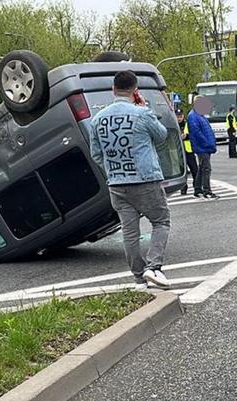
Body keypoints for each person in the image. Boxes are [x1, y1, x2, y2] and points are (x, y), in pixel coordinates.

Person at [89, 70, 171, 290]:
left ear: (113, 89)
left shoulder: (97, 120)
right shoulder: (141, 114)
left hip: (116, 182)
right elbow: (162, 135)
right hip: (145, 180)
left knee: (130, 232)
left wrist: (113, 168)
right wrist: (145, 108)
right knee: (161, 221)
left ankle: (138, 278)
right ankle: (154, 268)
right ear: (135, 91)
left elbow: (96, 154)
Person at [187, 96, 219, 199]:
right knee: (206, 169)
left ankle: (198, 189)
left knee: (202, 168)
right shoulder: (193, 116)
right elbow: (196, 133)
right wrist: (206, 143)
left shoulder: (199, 115)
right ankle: (207, 191)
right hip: (202, 147)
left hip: (204, 146)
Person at [176, 109, 198, 196]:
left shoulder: (187, 124)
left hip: (189, 150)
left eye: (180, 116)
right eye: (177, 116)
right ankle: (183, 188)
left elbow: (193, 134)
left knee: (194, 169)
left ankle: (196, 186)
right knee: (182, 171)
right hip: (179, 151)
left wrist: (187, 136)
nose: (179, 118)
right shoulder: (174, 124)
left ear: (183, 116)